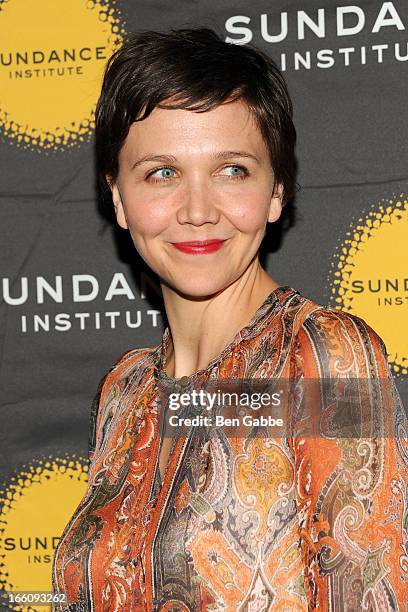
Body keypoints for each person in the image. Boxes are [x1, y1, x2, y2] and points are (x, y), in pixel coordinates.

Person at [52, 28, 407, 611]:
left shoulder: (320, 358)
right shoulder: (126, 389)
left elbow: (371, 593)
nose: (197, 210)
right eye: (161, 173)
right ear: (117, 197)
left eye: (232, 170)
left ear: (276, 191)